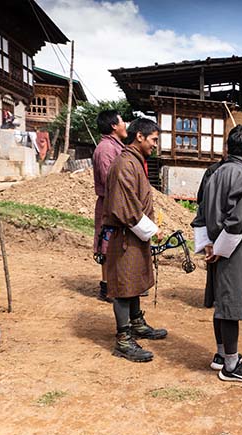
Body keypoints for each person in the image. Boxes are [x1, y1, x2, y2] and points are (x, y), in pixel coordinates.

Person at [195, 125, 242, 382]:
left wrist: (208, 245)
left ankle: (222, 354)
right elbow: (238, 221)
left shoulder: (216, 173)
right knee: (232, 305)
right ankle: (232, 366)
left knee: (221, 302)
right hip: (235, 248)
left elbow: (201, 212)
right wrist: (221, 249)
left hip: (216, 243)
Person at [103, 118, 167, 362]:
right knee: (123, 285)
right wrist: (152, 230)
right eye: (153, 140)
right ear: (139, 136)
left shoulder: (134, 161)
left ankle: (137, 322)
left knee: (134, 280)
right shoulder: (123, 164)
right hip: (126, 235)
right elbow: (125, 207)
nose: (155, 145)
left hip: (135, 234)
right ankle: (123, 339)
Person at [191, 154, 226, 370]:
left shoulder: (241, 173)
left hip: (224, 234)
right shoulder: (213, 171)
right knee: (216, 277)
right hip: (217, 231)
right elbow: (202, 202)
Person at [93, 110, 127, 303]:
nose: (125, 125)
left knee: (115, 243)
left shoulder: (116, 146)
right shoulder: (106, 148)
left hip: (116, 203)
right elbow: (110, 180)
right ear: (114, 126)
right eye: (122, 121)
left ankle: (115, 284)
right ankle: (107, 287)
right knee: (107, 244)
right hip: (110, 204)